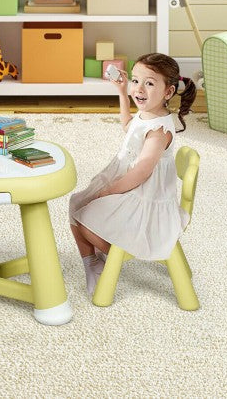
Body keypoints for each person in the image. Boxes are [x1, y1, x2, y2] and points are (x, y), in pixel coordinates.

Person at [69, 53, 197, 296]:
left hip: (144, 195)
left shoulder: (159, 131)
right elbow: (129, 126)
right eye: (136, 81)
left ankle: (117, 255)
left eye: (149, 83)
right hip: (130, 183)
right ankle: (92, 263)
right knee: (77, 203)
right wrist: (121, 92)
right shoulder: (148, 113)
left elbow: (141, 172)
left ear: (168, 92)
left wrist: (108, 192)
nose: (139, 88)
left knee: (84, 219)